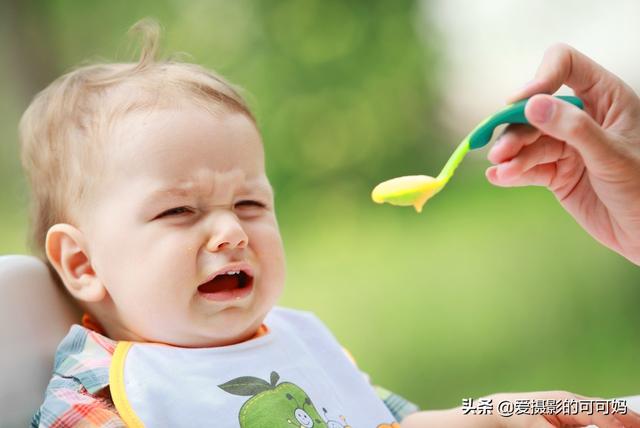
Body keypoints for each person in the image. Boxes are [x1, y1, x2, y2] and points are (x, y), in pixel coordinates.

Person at [21, 19, 637, 427]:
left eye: (250, 205)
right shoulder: (104, 393)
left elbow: (388, 421)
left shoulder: (295, 345)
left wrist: (510, 411)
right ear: (83, 263)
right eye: (179, 211)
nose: (231, 232)